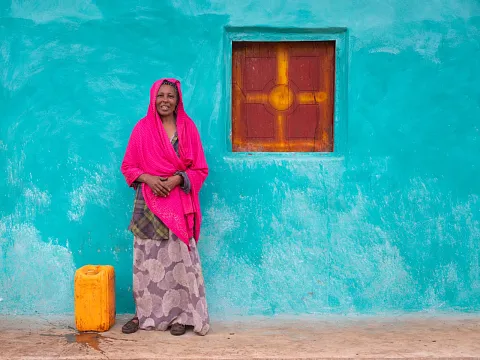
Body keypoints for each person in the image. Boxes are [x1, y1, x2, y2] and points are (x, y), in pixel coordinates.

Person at [120, 78, 209, 336]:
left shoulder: (188, 129)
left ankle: (180, 316)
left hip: (178, 203)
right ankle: (143, 315)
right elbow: (128, 167)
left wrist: (177, 179)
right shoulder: (142, 129)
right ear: (153, 98)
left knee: (178, 261)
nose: (165, 100)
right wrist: (148, 178)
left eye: (170, 96)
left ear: (177, 100)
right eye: (160, 95)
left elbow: (200, 169)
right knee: (147, 262)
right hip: (148, 203)